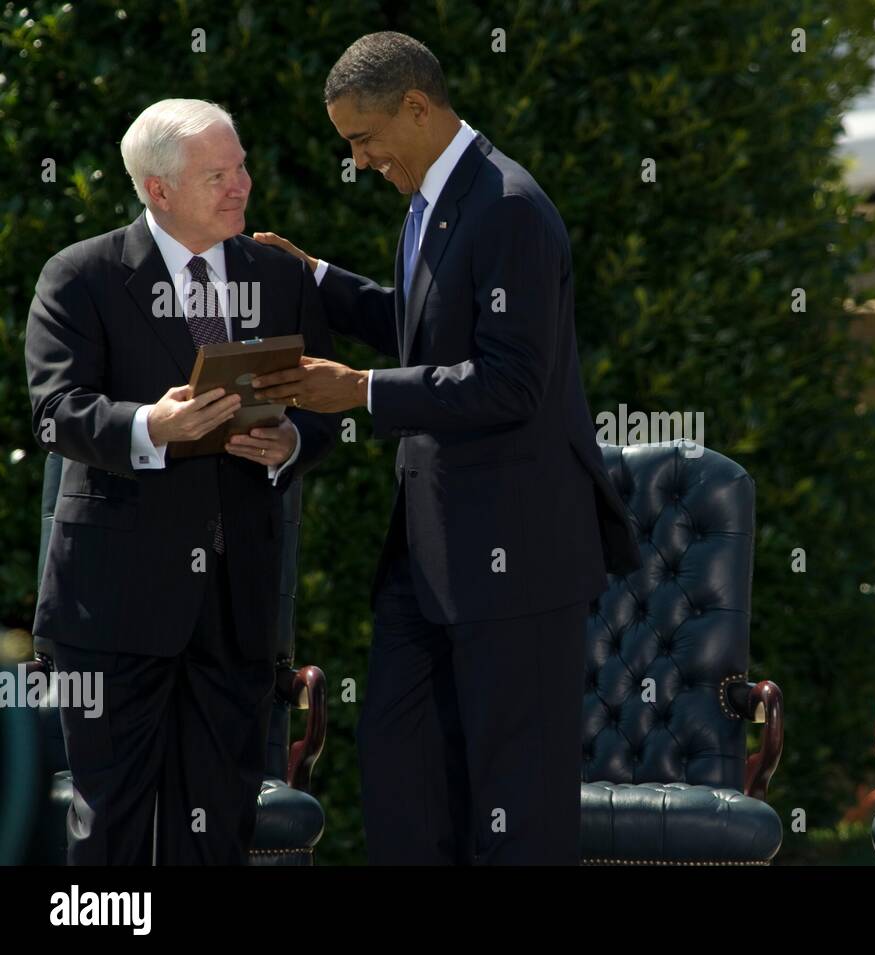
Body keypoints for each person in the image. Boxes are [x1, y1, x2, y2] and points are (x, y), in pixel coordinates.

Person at [252, 32, 641, 864]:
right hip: (428, 559)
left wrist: (359, 391)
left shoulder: (508, 206)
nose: (357, 161)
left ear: (419, 108)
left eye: (363, 139)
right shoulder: (438, 196)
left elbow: (509, 382)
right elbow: (425, 319)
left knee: (515, 806)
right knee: (405, 783)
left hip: (515, 560)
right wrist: (318, 275)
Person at [25, 98, 338, 864]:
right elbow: (56, 411)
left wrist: (291, 439)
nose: (242, 187)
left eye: (241, 168)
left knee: (220, 825)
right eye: (218, 175)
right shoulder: (82, 275)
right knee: (112, 828)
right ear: (157, 190)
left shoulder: (279, 275)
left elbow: (325, 402)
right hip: (113, 608)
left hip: (235, 607)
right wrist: (150, 427)